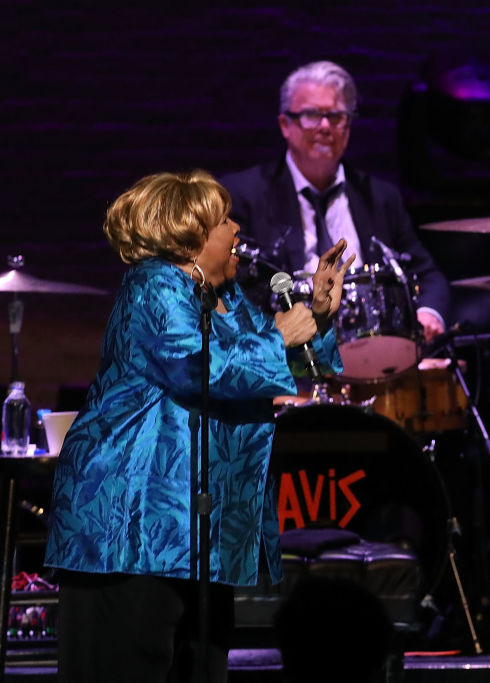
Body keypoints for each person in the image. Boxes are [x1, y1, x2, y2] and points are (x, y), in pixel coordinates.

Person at [44, 170, 355, 683]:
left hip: (197, 537)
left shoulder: (223, 299)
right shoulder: (155, 285)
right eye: (226, 220)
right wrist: (280, 337)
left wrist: (318, 317)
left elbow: (289, 363)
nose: (238, 231)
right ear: (189, 233)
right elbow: (202, 367)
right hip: (133, 532)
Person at [220, 59, 450, 343]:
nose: (325, 127)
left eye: (337, 116)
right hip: (286, 356)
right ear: (285, 125)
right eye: (312, 115)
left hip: (373, 351)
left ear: (349, 125)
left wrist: (428, 312)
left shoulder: (379, 197)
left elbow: (427, 275)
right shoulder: (245, 195)